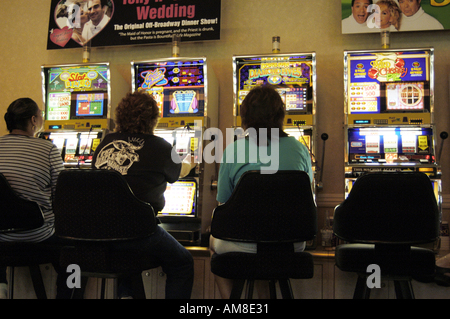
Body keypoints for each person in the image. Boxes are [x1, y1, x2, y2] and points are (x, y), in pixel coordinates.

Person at [210, 85, 314, 298]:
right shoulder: (300, 149)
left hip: (243, 241)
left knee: (213, 244)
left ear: (245, 117)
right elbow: (308, 200)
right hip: (291, 243)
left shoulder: (233, 150)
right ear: (280, 116)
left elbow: (223, 206)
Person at [92, 91, 194, 299]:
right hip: (141, 232)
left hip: (102, 232)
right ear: (154, 119)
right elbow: (179, 172)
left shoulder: (105, 142)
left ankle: (127, 294)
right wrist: (192, 162)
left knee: (126, 255)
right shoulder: (162, 147)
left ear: (120, 117)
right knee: (183, 262)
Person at [0, 98, 71, 298]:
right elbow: (62, 197)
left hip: (1, 238)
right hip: (38, 238)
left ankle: (1, 284)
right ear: (33, 120)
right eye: (41, 115)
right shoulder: (47, 149)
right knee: (74, 260)